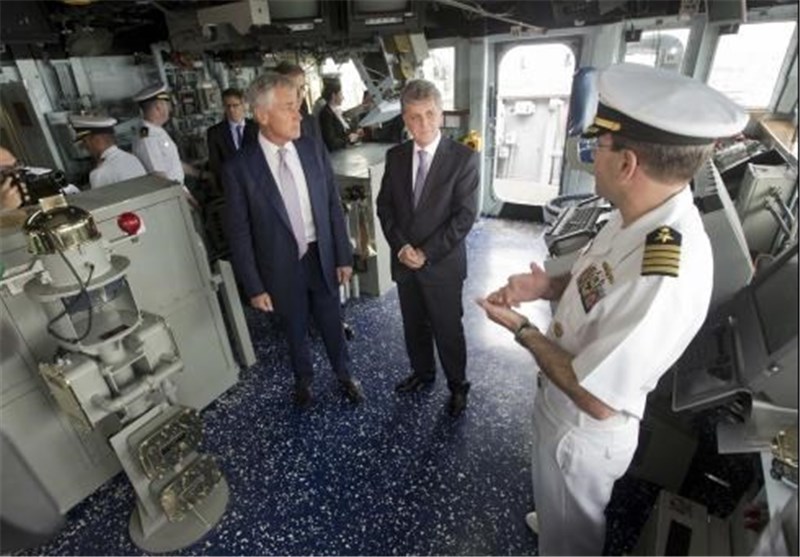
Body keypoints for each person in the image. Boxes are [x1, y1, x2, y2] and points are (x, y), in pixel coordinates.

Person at [476, 63, 748, 555]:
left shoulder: (664, 270)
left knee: (573, 539)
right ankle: (555, 519)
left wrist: (521, 329)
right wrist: (546, 286)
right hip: (561, 404)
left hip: (581, 431)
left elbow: (596, 397)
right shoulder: (638, 215)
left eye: (598, 145)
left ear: (627, 164)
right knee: (555, 506)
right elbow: (598, 280)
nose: (591, 156)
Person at [223, 72, 364, 408]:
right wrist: (254, 287)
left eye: (298, 105)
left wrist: (343, 256)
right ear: (262, 115)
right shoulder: (240, 168)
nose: (298, 115)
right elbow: (239, 233)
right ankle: (304, 380)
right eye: (288, 107)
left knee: (331, 320)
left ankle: (344, 375)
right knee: (294, 327)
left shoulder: (311, 148)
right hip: (279, 263)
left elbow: (332, 205)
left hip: (321, 254)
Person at [376, 79, 479, 418]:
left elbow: (464, 218)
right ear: (404, 118)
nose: (423, 124)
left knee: (448, 329)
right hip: (405, 262)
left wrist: (425, 253)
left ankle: (458, 385)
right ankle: (422, 373)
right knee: (414, 325)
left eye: (430, 114)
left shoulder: (463, 159)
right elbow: (385, 207)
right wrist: (402, 247)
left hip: (442, 265)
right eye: (414, 117)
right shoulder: (395, 157)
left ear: (441, 114)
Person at [69, 115, 146, 189]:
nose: (85, 147)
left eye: (85, 142)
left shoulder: (100, 174)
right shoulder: (133, 159)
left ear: (96, 140)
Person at [205, 88, 258, 192]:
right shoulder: (215, 132)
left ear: (243, 105)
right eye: (227, 106)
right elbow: (215, 164)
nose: (231, 110)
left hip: (256, 182)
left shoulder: (257, 128)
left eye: (235, 105)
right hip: (231, 185)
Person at [273, 61, 322, 144]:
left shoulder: (311, 122)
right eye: (292, 88)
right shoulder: (262, 127)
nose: (299, 95)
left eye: (302, 87)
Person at [318, 78, 362, 152]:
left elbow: (343, 130)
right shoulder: (326, 114)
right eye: (341, 94)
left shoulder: (337, 111)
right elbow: (331, 141)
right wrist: (348, 139)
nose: (343, 98)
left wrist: (355, 132)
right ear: (333, 96)